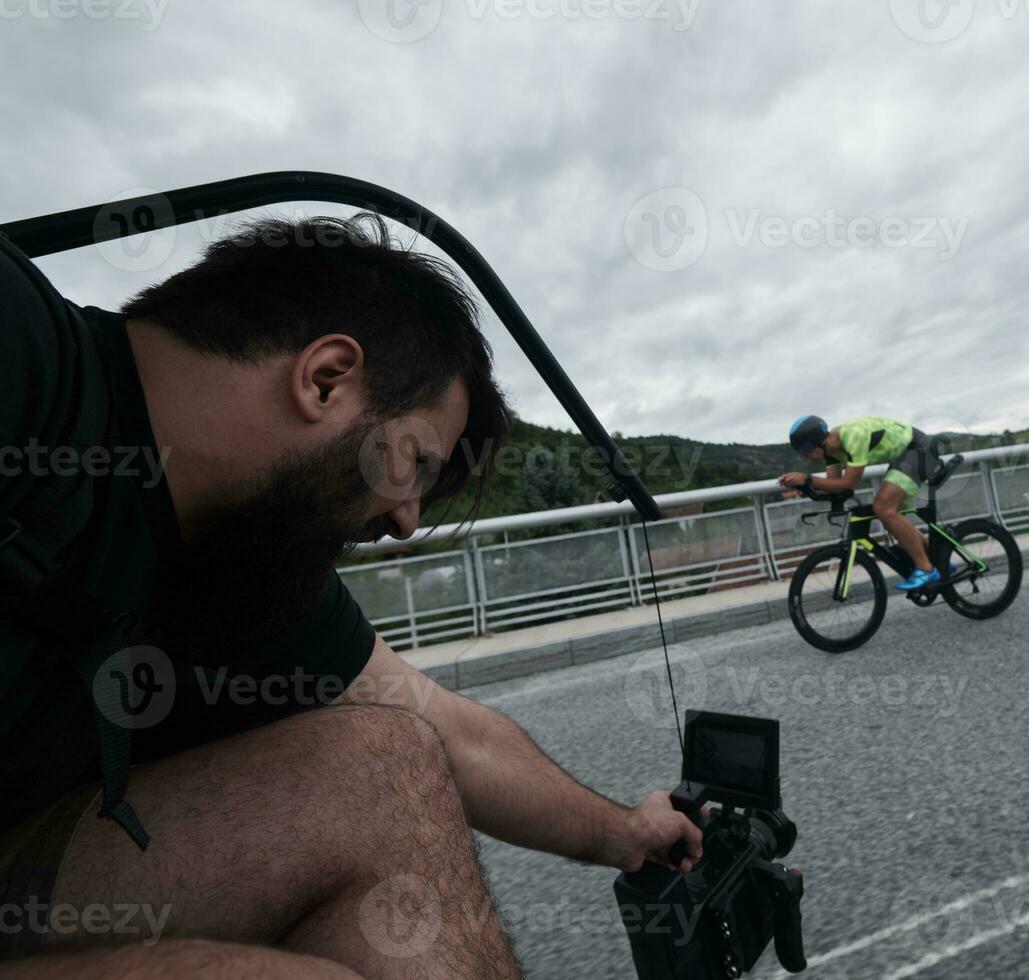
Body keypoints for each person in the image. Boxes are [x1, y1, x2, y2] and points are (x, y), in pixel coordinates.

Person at [0, 214, 700, 979]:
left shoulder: (247, 560)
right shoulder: (23, 356)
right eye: (419, 468)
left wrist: (626, 834)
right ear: (327, 377)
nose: (405, 523)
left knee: (386, 760)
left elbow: (451, 733)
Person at [778, 415, 941, 591]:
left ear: (818, 441)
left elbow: (848, 483)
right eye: (801, 452)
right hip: (903, 456)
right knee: (888, 513)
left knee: (884, 508)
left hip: (917, 449)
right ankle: (938, 559)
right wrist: (805, 486)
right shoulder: (830, 451)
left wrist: (808, 478)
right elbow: (835, 486)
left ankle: (926, 568)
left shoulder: (853, 437)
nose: (806, 457)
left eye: (806, 449)